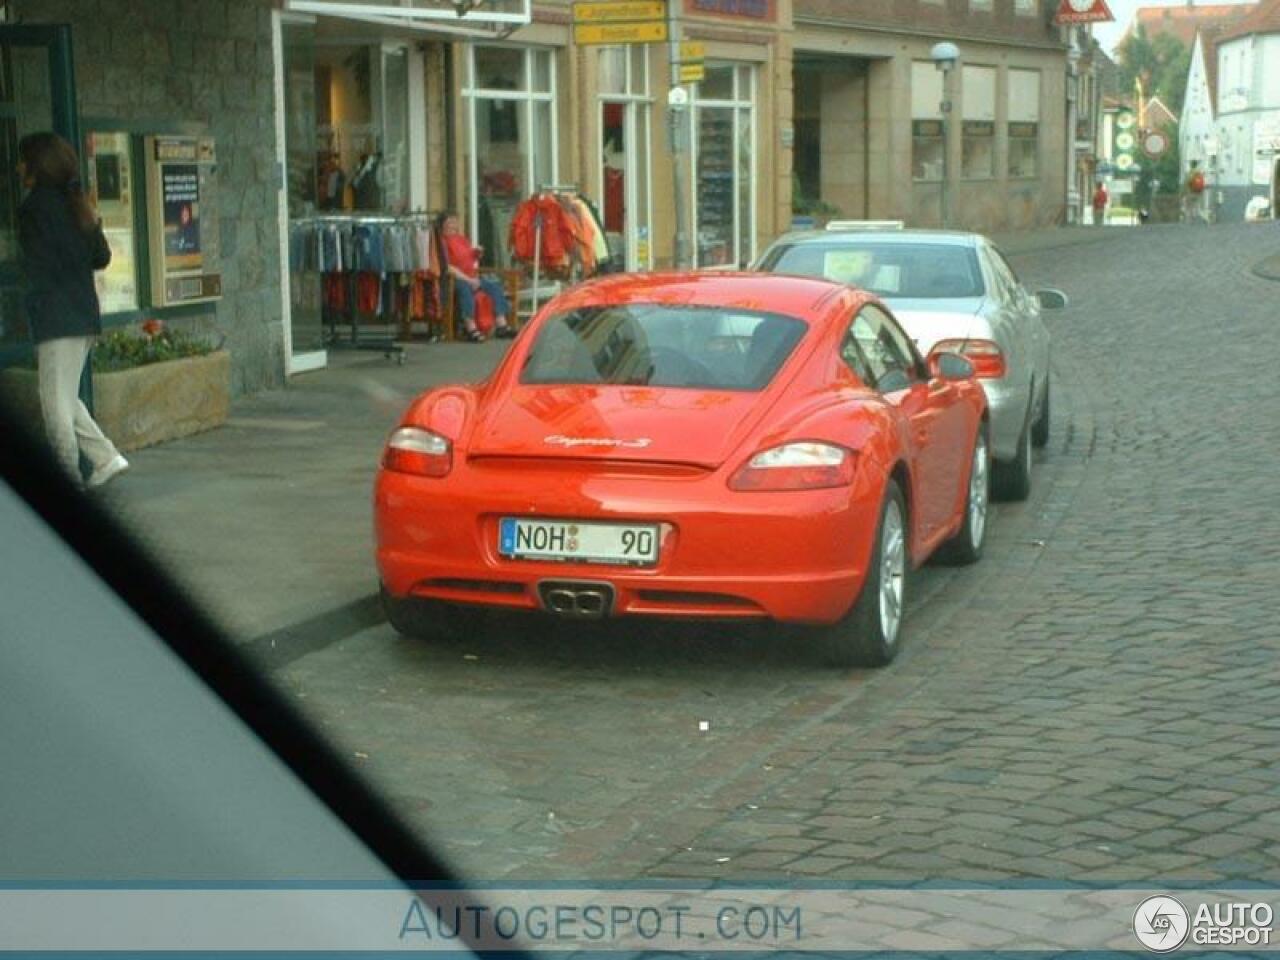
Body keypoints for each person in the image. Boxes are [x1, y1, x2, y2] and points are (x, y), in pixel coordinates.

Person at [16, 131, 128, 488]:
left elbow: (36, 266)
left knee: (55, 407)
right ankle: (105, 457)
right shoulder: (76, 203)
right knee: (65, 398)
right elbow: (102, 257)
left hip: (55, 318)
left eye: (22, 159)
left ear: (35, 165)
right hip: (82, 315)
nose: (18, 167)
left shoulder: (33, 209)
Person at [437, 212, 515, 342]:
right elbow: (448, 267)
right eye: (449, 222)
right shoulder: (441, 242)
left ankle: (502, 325)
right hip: (454, 279)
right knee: (465, 288)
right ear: (442, 225)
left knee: (493, 283)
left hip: (472, 275)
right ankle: (470, 328)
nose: (453, 225)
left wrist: (477, 253)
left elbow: (468, 259)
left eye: (455, 221)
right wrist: (469, 280)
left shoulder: (461, 239)